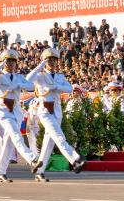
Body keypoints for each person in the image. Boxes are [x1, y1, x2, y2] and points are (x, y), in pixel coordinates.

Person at [27, 48, 86, 182]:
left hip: (57, 110)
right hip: (45, 110)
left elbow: (70, 88)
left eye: (54, 60)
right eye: (49, 60)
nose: (52, 62)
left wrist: (56, 87)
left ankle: (39, 172)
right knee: (59, 137)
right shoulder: (40, 75)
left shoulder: (60, 76)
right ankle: (75, 159)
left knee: (48, 142)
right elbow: (28, 79)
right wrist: (41, 65)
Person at [0, 49, 38, 183]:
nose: (11, 64)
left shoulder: (18, 77)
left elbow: (31, 86)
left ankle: (0, 171)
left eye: (13, 61)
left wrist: (20, 84)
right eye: (8, 61)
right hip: (4, 112)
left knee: (8, 143)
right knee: (17, 136)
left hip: (16, 112)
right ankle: (32, 159)